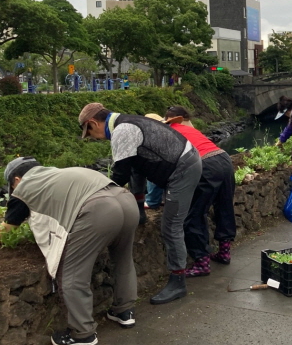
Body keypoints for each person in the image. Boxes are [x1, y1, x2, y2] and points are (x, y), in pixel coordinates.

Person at [0, 157, 139, 345]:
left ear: (17, 180)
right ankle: (124, 311)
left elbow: (7, 228)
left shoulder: (25, 187)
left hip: (99, 211)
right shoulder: (59, 173)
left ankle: (83, 334)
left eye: (12, 186)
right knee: (123, 260)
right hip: (126, 201)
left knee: (71, 274)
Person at [78, 102, 203, 305]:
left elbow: (120, 175)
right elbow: (135, 167)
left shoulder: (122, 130)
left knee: (171, 226)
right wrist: (137, 209)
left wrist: (96, 198)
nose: (92, 137)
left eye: (89, 132)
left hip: (183, 168)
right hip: (180, 161)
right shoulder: (127, 122)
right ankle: (140, 212)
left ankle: (178, 282)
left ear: (93, 122)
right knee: (136, 165)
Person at [147, 107, 236, 276]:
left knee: (193, 213)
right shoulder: (186, 128)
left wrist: (152, 201)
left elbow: (157, 174)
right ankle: (224, 252)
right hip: (223, 158)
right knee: (224, 206)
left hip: (204, 165)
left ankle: (201, 261)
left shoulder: (160, 137)